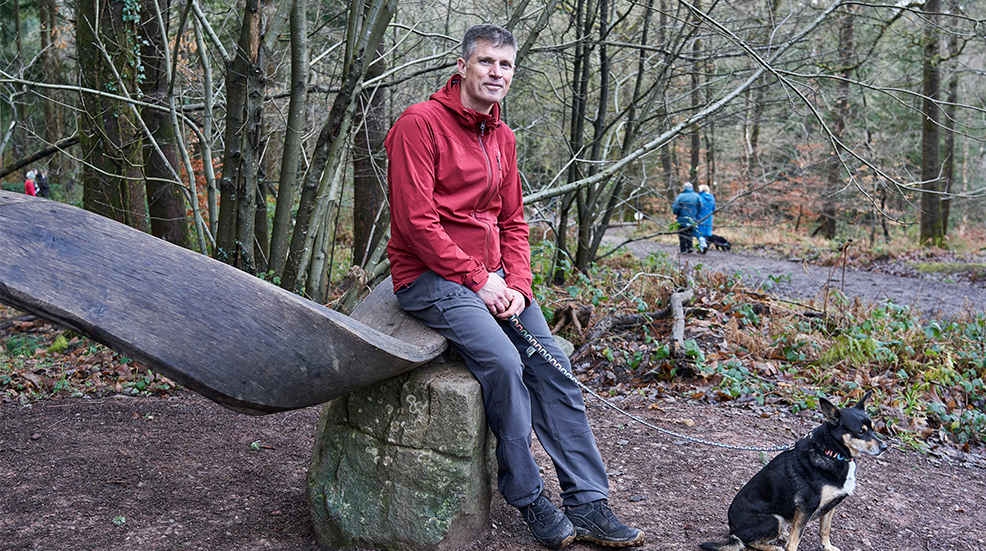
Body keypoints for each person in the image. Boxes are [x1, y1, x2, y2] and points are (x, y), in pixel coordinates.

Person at [385, 24, 644, 550]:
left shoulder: (502, 136)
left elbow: (513, 222)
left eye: (505, 66)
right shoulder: (419, 124)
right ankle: (528, 497)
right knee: (505, 364)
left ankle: (589, 502)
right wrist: (480, 280)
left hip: (495, 281)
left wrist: (519, 286)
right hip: (428, 278)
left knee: (553, 365)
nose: (496, 73)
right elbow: (417, 222)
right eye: (486, 63)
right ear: (463, 66)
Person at [671, 182, 701, 253]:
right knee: (689, 233)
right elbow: (700, 207)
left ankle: (683, 249)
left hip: (682, 218)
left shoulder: (680, 196)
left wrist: (676, 213)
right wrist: (696, 214)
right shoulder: (696, 196)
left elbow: (675, 207)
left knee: (682, 234)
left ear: (684, 188)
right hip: (692, 218)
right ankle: (690, 247)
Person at [696, 183, 716, 254]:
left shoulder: (700, 197)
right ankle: (702, 248)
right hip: (709, 217)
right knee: (706, 233)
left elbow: (698, 207)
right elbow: (714, 208)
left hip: (700, 216)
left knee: (699, 232)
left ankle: (703, 246)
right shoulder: (712, 197)